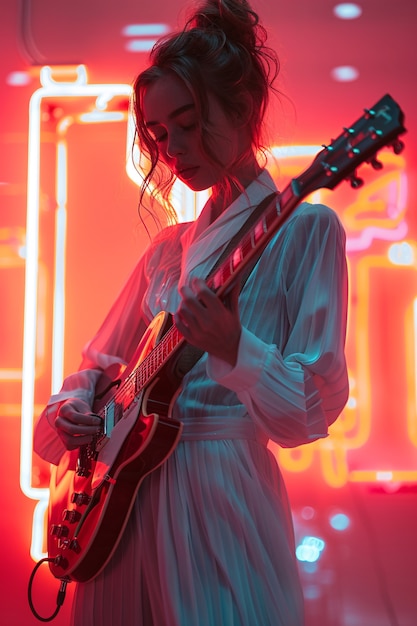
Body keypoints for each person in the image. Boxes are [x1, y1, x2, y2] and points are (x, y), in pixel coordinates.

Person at [34, 0, 349, 624]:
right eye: (157, 134)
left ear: (246, 110)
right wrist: (72, 412)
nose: (173, 149)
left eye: (190, 123)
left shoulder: (305, 229)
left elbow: (310, 409)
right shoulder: (165, 251)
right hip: (115, 513)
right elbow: (95, 368)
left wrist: (238, 349)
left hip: (220, 500)